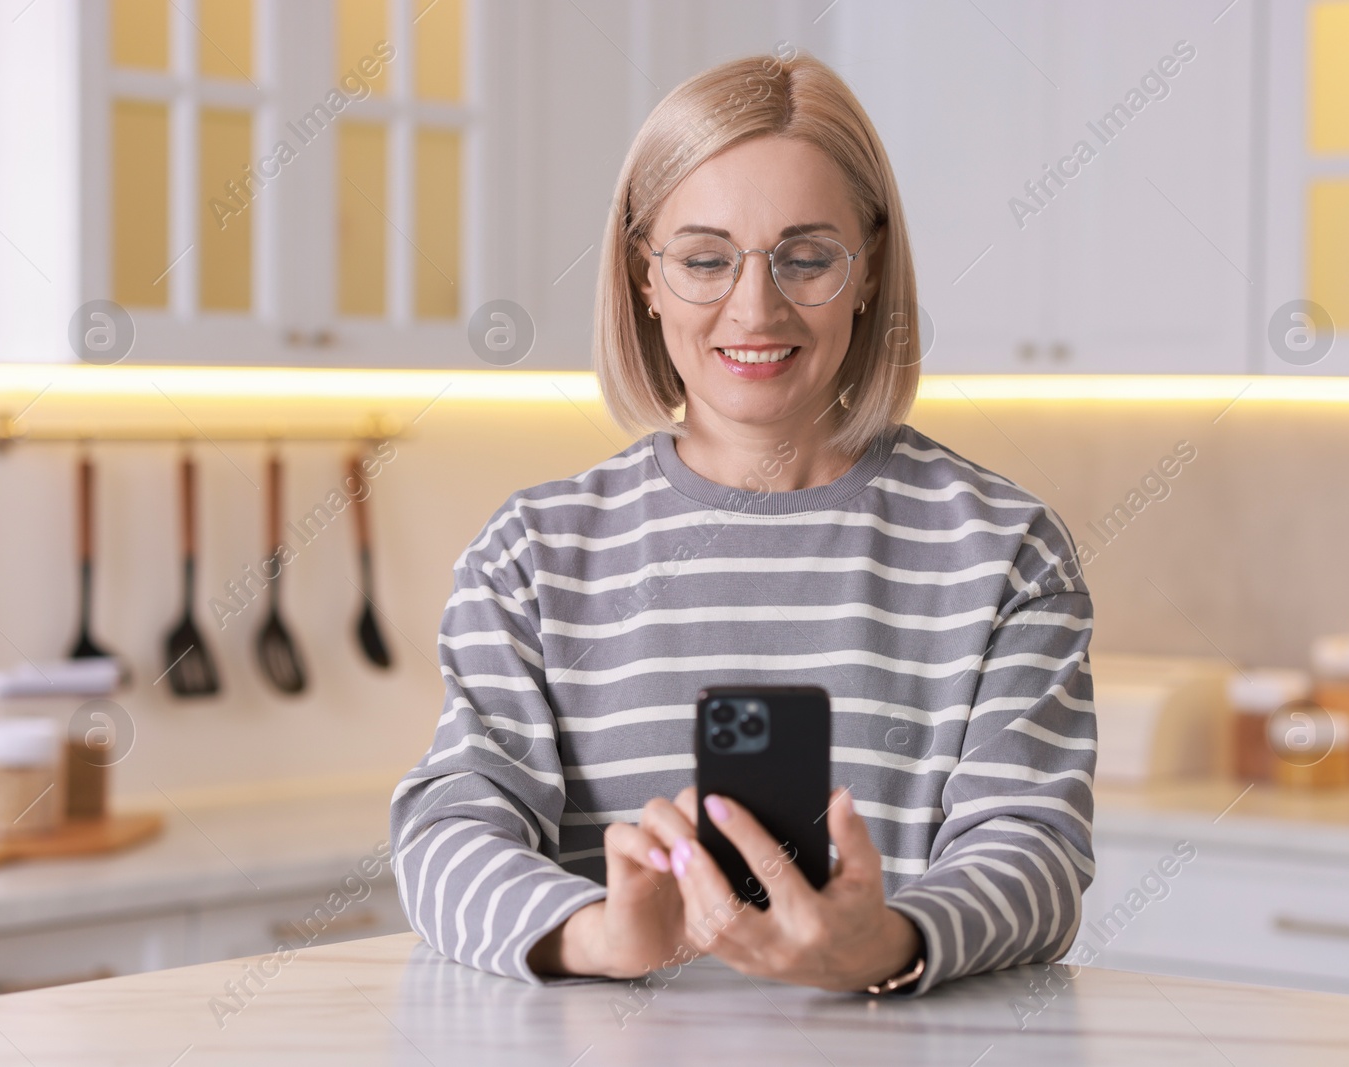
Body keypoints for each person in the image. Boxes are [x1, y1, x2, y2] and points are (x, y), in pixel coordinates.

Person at [391, 50, 1095, 996]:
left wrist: (887, 942)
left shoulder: (1006, 552)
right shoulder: (531, 559)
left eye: (806, 257)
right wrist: (597, 934)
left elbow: (1036, 851)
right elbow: (448, 833)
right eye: (703, 258)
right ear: (644, 275)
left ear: (869, 268)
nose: (754, 307)